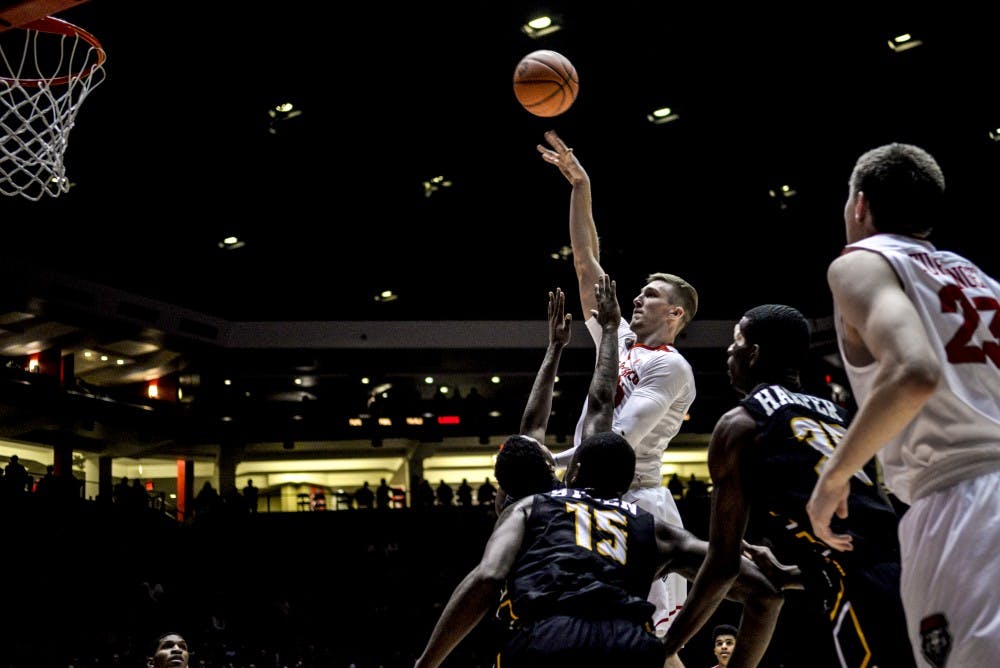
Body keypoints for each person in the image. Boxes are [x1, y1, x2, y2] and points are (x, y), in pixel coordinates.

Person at [806, 142, 1000, 667]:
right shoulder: (979, 278)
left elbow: (914, 373)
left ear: (859, 205)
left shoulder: (861, 263)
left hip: (965, 504)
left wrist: (835, 475)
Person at [413, 430, 797, 668]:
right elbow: (765, 593)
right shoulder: (656, 529)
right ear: (624, 484)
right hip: (630, 644)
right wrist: (674, 642)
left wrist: (426, 663)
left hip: (551, 637)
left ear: (574, 473)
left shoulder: (531, 505)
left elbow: (488, 576)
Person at [663, 304, 913, 668]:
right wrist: (788, 575)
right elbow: (870, 536)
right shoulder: (839, 416)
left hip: (866, 593)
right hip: (915, 567)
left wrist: (668, 645)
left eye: (737, 342)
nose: (730, 351)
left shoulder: (741, 424)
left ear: (755, 353)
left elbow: (723, 563)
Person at [539, 130, 699, 634]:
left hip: (638, 501)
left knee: (655, 641)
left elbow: (616, 442)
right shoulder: (622, 341)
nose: (636, 298)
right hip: (592, 494)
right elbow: (587, 265)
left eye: (649, 295)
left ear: (674, 312)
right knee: (592, 629)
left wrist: (549, 462)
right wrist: (580, 186)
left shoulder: (670, 367)